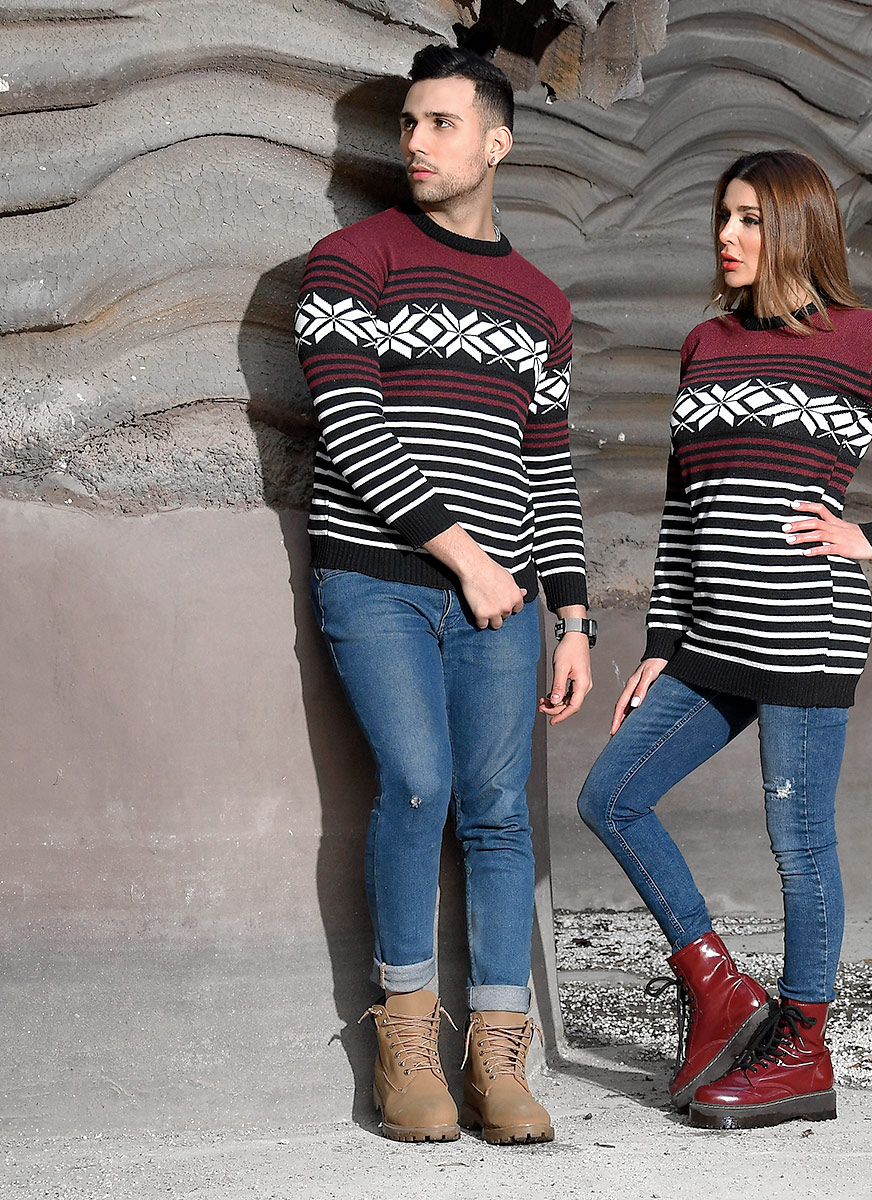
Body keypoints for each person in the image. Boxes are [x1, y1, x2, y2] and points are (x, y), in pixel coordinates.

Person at [577, 150, 872, 1130]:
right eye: (723, 216)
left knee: (799, 840)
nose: (727, 236)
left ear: (797, 231)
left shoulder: (862, 339)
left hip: (808, 629)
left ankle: (803, 1049)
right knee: (611, 796)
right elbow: (683, 509)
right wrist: (660, 643)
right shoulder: (705, 344)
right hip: (713, 636)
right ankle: (719, 989)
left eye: (750, 220)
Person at [295, 44, 596, 1146]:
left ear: (496, 142)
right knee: (419, 786)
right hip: (379, 582)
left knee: (499, 812)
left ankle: (499, 1058)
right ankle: (406, 1040)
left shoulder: (542, 303)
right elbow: (349, 425)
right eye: (408, 124)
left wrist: (574, 616)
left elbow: (547, 468)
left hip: (506, 604)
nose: (415, 144)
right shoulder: (351, 260)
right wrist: (467, 559)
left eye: (441, 124)